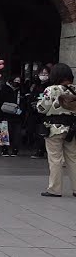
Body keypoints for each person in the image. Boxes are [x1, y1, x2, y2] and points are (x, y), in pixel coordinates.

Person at [36, 63, 76, 197]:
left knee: (55, 159)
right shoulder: (74, 89)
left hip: (54, 128)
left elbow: (42, 108)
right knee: (72, 158)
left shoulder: (52, 89)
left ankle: (55, 189)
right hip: (72, 128)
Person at [0, 74, 25, 157]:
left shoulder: (21, 91)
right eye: (15, 81)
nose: (17, 83)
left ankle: (15, 149)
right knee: (3, 132)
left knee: (16, 134)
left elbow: (24, 103)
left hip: (17, 116)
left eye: (19, 81)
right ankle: (4, 149)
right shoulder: (3, 90)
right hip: (4, 115)